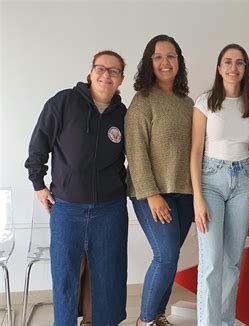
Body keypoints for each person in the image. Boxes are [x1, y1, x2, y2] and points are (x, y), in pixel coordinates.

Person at [25, 50, 128, 325]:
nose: (106, 75)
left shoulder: (123, 115)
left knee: (106, 275)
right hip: (68, 208)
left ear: (121, 80)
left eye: (114, 71)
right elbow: (38, 144)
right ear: (91, 72)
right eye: (101, 68)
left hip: (110, 209)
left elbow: (137, 158)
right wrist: (38, 184)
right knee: (67, 274)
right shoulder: (63, 102)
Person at [125, 34, 194, 326]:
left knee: (172, 258)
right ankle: (144, 321)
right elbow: (135, 151)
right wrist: (152, 194)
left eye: (171, 56)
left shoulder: (187, 102)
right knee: (165, 256)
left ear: (179, 61)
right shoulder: (142, 101)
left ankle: (159, 316)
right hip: (152, 193)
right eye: (158, 57)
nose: (165, 62)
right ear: (149, 62)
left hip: (185, 194)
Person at [190, 43, 249, 326]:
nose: (233, 68)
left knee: (232, 261)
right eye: (228, 62)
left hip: (243, 180)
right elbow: (195, 150)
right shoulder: (205, 102)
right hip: (211, 182)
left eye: (239, 63)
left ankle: (225, 322)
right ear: (219, 68)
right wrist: (197, 197)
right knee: (211, 261)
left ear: (245, 69)